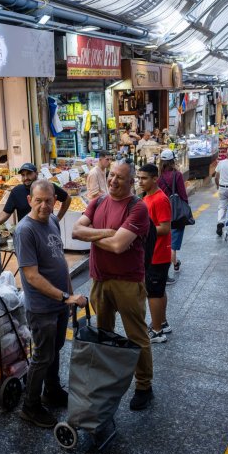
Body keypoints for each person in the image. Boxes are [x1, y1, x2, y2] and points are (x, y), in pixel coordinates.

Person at [72, 160, 154, 410]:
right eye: (112, 175)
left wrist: (95, 236)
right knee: (103, 333)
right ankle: (105, 383)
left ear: (131, 183)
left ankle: (144, 386)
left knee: (136, 335)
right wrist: (109, 232)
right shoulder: (97, 202)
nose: (113, 181)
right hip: (100, 280)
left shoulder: (137, 208)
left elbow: (120, 247)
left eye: (120, 177)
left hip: (128, 281)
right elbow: (76, 231)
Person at [14, 179, 87, 427]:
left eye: (48, 200)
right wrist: (65, 297)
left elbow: (60, 260)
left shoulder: (53, 220)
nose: (44, 206)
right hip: (42, 307)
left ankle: (52, 391)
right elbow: (31, 276)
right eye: (38, 201)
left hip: (58, 303)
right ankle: (30, 406)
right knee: (42, 357)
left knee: (54, 351)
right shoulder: (25, 230)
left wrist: (68, 292)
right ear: (29, 201)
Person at [138, 163, 172, 344]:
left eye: (144, 178)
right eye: (139, 178)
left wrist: (143, 230)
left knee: (153, 293)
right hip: (153, 253)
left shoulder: (160, 199)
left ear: (154, 178)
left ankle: (157, 331)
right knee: (158, 291)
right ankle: (163, 322)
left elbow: (165, 228)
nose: (140, 181)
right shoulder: (147, 197)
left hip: (158, 254)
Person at [0, 163, 71, 227]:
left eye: (29, 174)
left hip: (48, 228)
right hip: (27, 231)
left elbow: (67, 199)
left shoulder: (48, 187)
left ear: (36, 174)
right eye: (23, 175)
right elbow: (6, 212)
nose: (26, 178)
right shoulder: (16, 191)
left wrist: (57, 219)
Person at [157, 149, 187, 281]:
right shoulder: (177, 175)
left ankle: (175, 263)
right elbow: (183, 194)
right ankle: (166, 274)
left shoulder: (158, 177)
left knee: (165, 242)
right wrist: (185, 207)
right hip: (175, 212)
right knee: (172, 244)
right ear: (172, 160)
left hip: (161, 211)